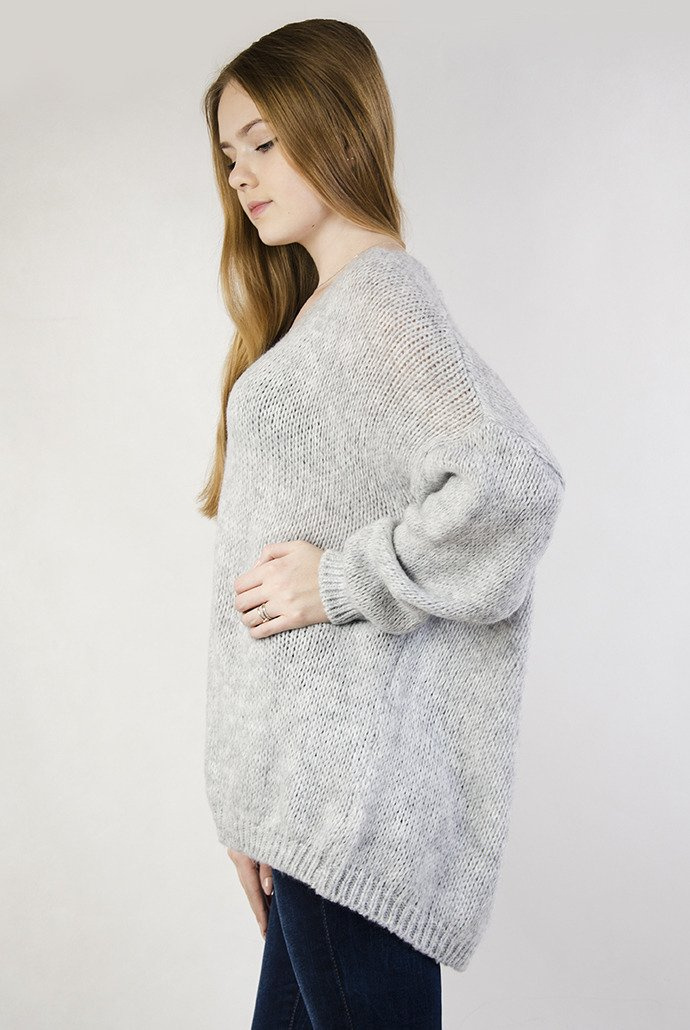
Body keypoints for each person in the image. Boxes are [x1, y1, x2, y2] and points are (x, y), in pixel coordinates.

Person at [198, 18, 566, 1030]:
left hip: (347, 811)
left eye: (264, 141)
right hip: (304, 809)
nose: (241, 173)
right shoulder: (321, 311)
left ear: (337, 126)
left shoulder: (381, 299)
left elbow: (513, 485)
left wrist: (339, 579)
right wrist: (248, 800)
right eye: (229, 155)